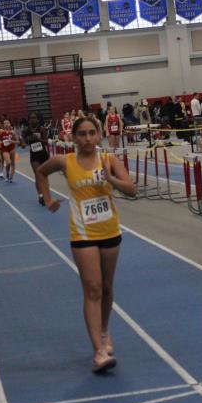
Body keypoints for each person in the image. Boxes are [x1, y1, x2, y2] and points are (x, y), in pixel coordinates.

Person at [35, 116, 137, 373]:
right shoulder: (65, 161)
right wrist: (47, 199)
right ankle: (99, 351)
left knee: (107, 287)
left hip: (109, 230)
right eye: (82, 134)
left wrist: (111, 179)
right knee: (92, 288)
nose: (88, 138)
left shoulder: (109, 160)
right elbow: (41, 171)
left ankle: (104, 331)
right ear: (74, 137)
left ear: (99, 135)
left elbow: (131, 190)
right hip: (83, 234)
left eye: (92, 133)